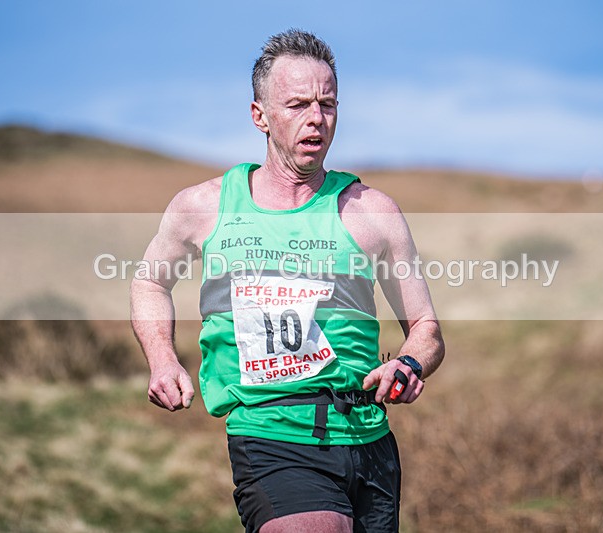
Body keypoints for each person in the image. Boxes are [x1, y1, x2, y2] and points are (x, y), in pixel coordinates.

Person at [131, 28, 445, 533]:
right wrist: (162, 359)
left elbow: (426, 328)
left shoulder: (371, 212)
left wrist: (409, 363)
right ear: (260, 116)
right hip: (270, 432)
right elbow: (149, 283)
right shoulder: (205, 206)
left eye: (328, 103)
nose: (316, 118)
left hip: (368, 439)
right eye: (298, 104)